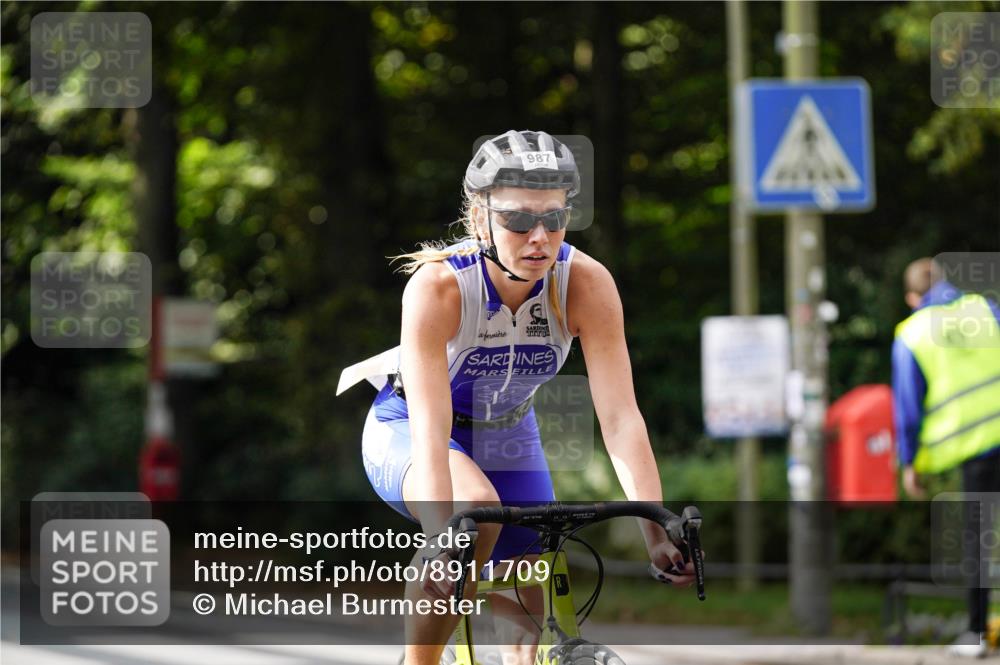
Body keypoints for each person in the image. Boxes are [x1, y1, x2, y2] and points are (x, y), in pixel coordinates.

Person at [344, 130, 695, 665]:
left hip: (508, 428)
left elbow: (621, 419)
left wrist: (656, 529)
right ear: (480, 218)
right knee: (469, 522)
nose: (540, 237)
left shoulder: (585, 284)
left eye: (554, 219)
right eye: (518, 220)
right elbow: (432, 429)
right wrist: (442, 538)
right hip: (411, 425)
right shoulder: (438, 288)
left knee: (535, 604)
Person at [892, 257, 1000, 658]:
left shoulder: (912, 333)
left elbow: (907, 406)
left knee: (979, 541)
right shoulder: (983, 308)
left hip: (977, 450)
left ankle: (975, 633)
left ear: (911, 297)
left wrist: (910, 463)